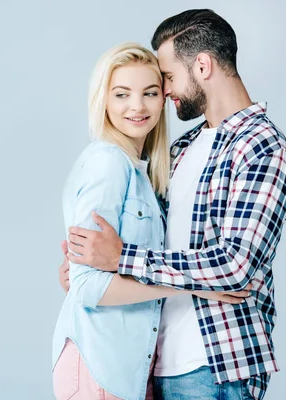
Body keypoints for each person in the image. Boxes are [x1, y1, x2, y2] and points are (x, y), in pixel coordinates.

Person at [59, 10, 286, 400]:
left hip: (215, 368)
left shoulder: (263, 148)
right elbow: (142, 241)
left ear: (202, 65)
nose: (165, 91)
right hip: (150, 364)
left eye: (167, 78)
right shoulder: (180, 150)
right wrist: (86, 269)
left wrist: (121, 258)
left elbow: (235, 266)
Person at [52, 42, 251, 400]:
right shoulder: (108, 163)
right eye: (122, 94)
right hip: (101, 364)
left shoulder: (145, 172)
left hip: (129, 367)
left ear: (164, 99)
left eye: (150, 92)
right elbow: (87, 287)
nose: (137, 106)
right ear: (104, 100)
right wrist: (194, 286)